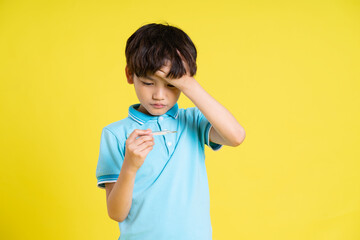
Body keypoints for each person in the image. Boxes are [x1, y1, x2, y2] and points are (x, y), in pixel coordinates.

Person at [96, 23, 246, 240]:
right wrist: (130, 165)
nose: (159, 95)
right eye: (148, 83)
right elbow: (117, 213)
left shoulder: (193, 120)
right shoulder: (116, 134)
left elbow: (236, 136)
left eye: (171, 85)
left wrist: (188, 83)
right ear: (130, 75)